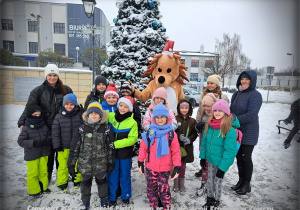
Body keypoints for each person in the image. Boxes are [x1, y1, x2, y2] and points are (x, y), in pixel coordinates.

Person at [18, 63, 72, 182]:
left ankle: (62, 176)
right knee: (48, 154)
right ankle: (46, 177)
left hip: (62, 128)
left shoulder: (66, 90)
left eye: (55, 75)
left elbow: (72, 106)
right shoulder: (38, 91)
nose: (52, 78)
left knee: (61, 154)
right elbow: (29, 107)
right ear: (46, 76)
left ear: (58, 76)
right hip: (45, 128)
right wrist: (22, 122)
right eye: (50, 75)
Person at [67, 102, 115, 209]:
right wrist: (71, 164)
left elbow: (110, 147)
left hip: (101, 164)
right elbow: (75, 148)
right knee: (86, 183)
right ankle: (85, 201)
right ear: (87, 114)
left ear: (101, 115)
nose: (94, 115)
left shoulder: (106, 129)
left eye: (96, 113)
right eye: (91, 113)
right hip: (85, 164)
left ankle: (103, 198)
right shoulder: (81, 129)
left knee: (102, 182)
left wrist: (111, 162)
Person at [138, 102, 181, 209]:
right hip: (151, 166)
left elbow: (176, 151)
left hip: (165, 168)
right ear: (153, 118)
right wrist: (140, 161)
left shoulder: (171, 133)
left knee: (164, 189)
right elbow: (143, 148)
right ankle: (154, 205)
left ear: (167, 118)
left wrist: (177, 166)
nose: (160, 119)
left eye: (162, 117)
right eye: (157, 117)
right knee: (151, 188)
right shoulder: (150, 132)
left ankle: (166, 205)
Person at [200, 99, 239, 208]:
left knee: (217, 182)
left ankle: (217, 200)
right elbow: (204, 142)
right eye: (215, 110)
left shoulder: (229, 130)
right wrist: (202, 157)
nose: (217, 113)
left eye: (220, 111)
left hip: (221, 162)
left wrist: (222, 169)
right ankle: (209, 198)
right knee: (209, 181)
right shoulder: (210, 125)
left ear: (226, 113)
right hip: (211, 160)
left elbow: (230, 151)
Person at [230, 70, 262, 195]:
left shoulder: (255, 95)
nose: (243, 81)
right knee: (239, 157)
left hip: (249, 131)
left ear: (252, 81)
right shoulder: (237, 94)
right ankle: (241, 181)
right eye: (242, 79)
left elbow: (252, 114)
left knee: (246, 157)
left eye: (247, 79)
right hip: (237, 131)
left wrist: (235, 120)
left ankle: (246, 184)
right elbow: (232, 110)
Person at [107, 96, 138, 207]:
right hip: (112, 154)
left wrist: (116, 144)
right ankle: (112, 197)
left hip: (125, 154)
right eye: (121, 105)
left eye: (126, 107)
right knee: (112, 175)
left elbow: (133, 139)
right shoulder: (111, 117)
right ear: (117, 105)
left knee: (125, 175)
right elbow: (98, 115)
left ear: (129, 109)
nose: (122, 108)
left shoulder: (132, 122)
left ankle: (125, 196)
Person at [18, 104, 52, 198]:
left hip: (44, 153)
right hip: (32, 154)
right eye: (35, 115)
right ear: (29, 115)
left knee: (43, 171)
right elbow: (21, 141)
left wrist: (48, 140)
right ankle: (34, 191)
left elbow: (49, 135)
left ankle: (43, 187)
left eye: (38, 114)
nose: (37, 116)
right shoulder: (26, 128)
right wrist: (33, 143)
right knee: (33, 173)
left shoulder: (44, 126)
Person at [51, 93, 83, 191]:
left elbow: (85, 126)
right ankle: (62, 182)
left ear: (75, 105)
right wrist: (57, 145)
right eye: (67, 104)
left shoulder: (79, 116)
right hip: (63, 147)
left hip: (76, 147)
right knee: (63, 166)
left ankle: (77, 179)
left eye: (72, 104)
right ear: (63, 104)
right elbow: (55, 133)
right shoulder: (58, 117)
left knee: (77, 164)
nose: (69, 106)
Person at [195, 93, 217, 197]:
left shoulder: (217, 114)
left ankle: (211, 186)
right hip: (203, 144)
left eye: (208, 106)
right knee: (204, 166)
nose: (206, 108)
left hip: (214, 147)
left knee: (212, 168)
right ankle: (203, 184)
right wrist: (198, 127)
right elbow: (198, 127)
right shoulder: (204, 114)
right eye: (204, 106)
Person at [174, 99, 197, 192]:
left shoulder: (192, 121)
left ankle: (181, 182)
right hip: (176, 146)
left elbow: (195, 133)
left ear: (189, 109)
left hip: (187, 147)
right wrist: (178, 136)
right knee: (176, 164)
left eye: (186, 108)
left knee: (183, 165)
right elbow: (172, 131)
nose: (184, 110)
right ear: (179, 109)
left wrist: (190, 139)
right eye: (182, 108)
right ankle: (175, 181)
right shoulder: (175, 119)